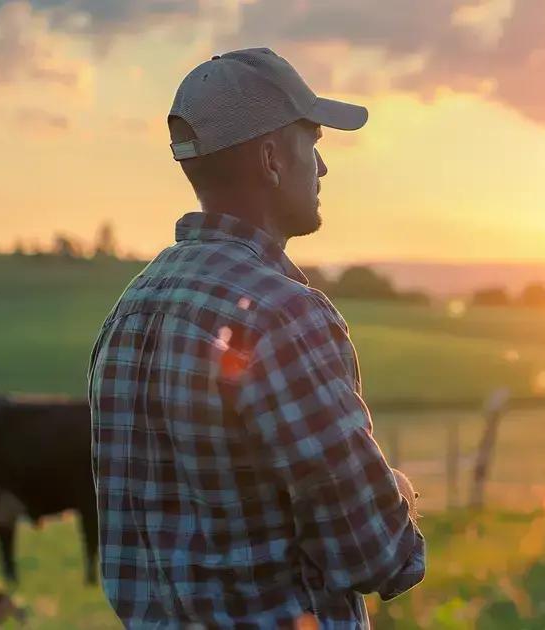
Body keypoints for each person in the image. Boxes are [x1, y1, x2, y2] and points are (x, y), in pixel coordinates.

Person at [87, 47, 424, 628]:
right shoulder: (282, 315)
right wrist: (398, 491)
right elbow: (380, 556)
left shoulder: (128, 311)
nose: (321, 168)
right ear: (271, 158)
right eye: (312, 142)